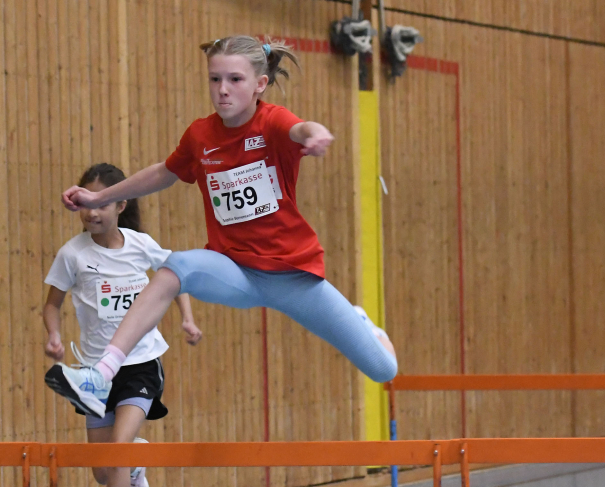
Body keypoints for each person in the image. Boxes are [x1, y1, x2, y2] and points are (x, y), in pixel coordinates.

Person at [46, 35, 396, 420]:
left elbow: (299, 128)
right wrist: (98, 198)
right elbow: (164, 173)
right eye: (215, 80)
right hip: (236, 271)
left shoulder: (272, 121)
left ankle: (361, 320)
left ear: (259, 84)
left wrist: (314, 133)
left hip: (294, 276)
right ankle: (100, 376)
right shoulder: (201, 135)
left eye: (235, 80)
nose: (223, 90)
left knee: (383, 369)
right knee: (173, 270)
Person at [44, 163, 203, 487]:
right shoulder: (72, 254)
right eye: (86, 205)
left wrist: (187, 320)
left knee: (115, 454)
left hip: (140, 364)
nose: (92, 213)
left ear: (121, 203)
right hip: (94, 373)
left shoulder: (141, 246)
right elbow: (52, 304)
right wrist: (55, 336)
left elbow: (178, 280)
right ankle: (135, 467)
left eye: (102, 203)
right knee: (103, 469)